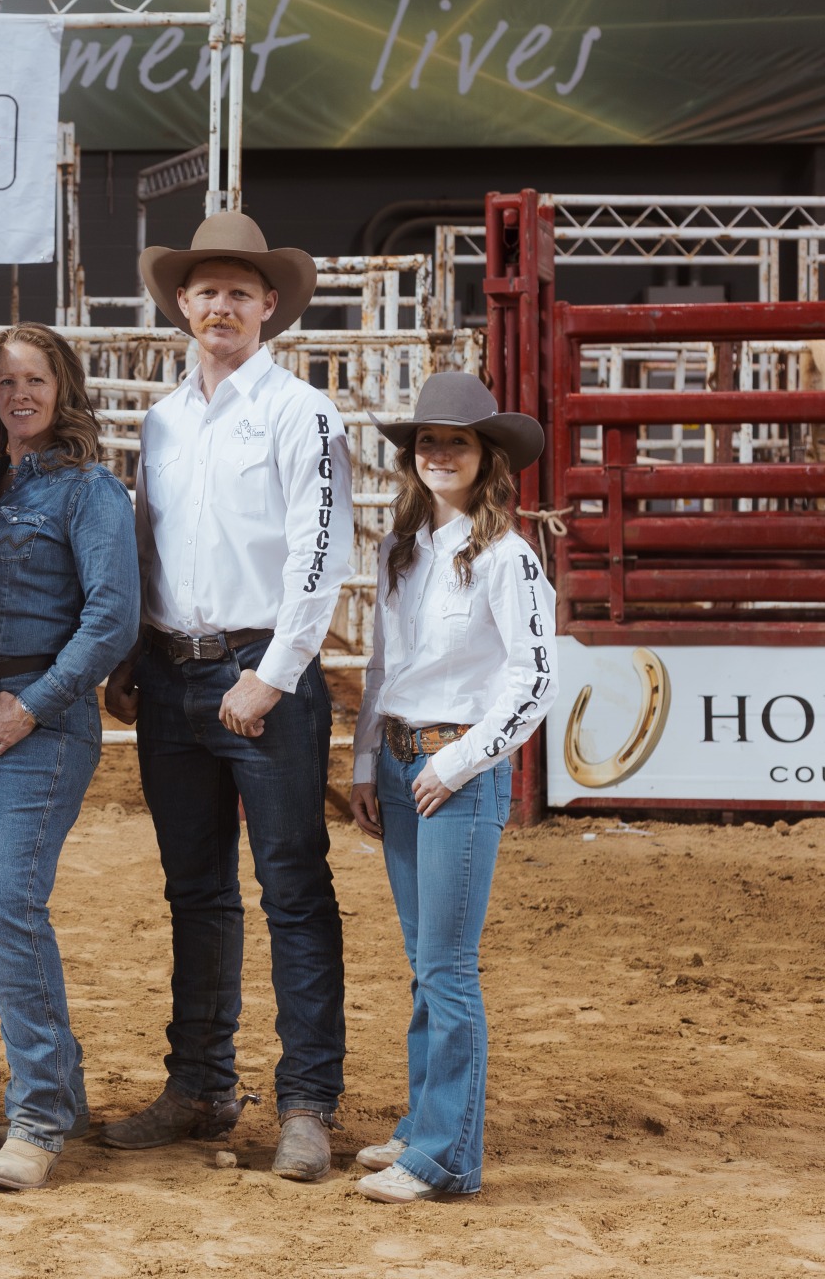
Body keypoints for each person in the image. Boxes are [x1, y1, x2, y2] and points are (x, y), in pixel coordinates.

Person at [101, 211, 352, 1181]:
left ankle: (306, 1103)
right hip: (171, 672)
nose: (220, 306)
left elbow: (321, 553)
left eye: (239, 292)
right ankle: (202, 1083)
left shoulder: (301, 411)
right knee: (195, 889)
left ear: (270, 306)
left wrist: (272, 675)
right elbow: (152, 546)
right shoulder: (162, 422)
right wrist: (133, 653)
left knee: (293, 889)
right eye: (205, 291)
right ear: (183, 303)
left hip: (261, 671)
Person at [0, 323, 140, 1191]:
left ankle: (40, 1115)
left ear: (64, 389)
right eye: (7, 381)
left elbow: (111, 619)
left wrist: (35, 702)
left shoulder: (89, 491)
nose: (21, 394)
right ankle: (61, 1089)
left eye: (37, 379)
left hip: (36, 719)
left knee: (9, 903)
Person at [347, 373, 553, 1203]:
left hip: (452, 775)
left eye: (455, 441)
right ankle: (426, 1121)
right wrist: (366, 761)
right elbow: (383, 666)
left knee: (446, 965)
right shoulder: (403, 550)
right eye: (426, 441)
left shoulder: (508, 557)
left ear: (485, 455)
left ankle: (445, 1157)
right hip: (402, 765)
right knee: (424, 960)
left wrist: (459, 760)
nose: (438, 452)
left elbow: (533, 681)